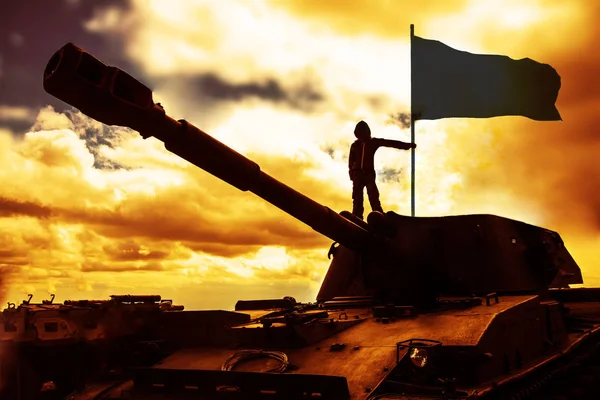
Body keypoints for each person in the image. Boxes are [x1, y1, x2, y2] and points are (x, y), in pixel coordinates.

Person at [348, 120, 416, 220]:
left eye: (362, 135)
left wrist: (407, 145)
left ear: (366, 133)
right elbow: (351, 160)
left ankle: (379, 215)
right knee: (357, 199)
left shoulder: (373, 142)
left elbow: (390, 143)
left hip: (368, 174)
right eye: (359, 135)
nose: (360, 138)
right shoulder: (354, 145)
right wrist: (352, 173)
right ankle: (357, 217)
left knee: (373, 196)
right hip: (357, 175)